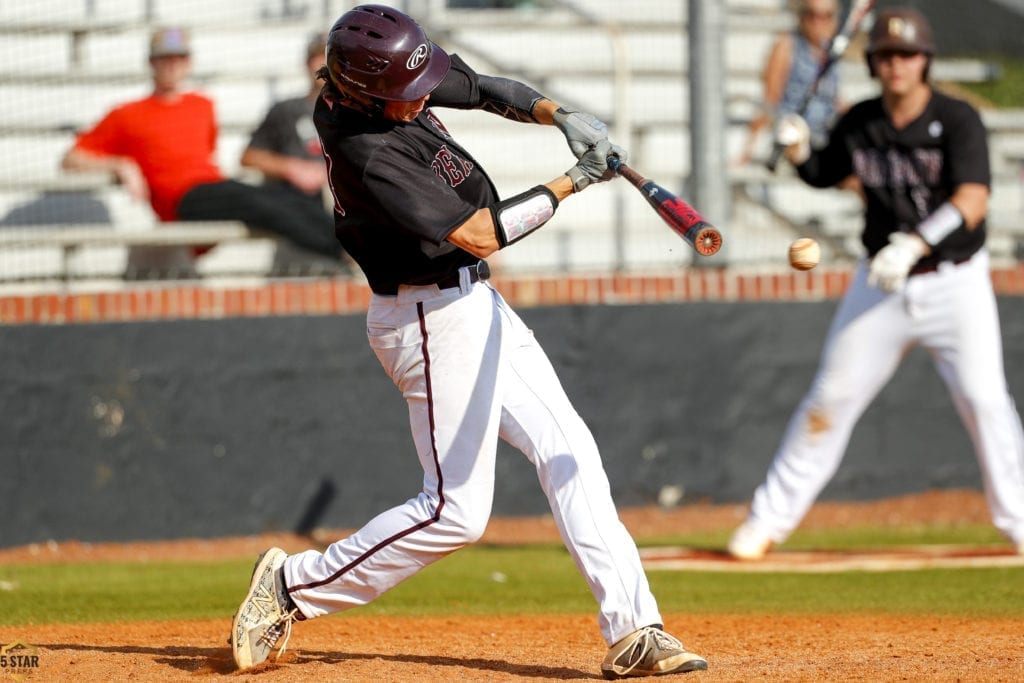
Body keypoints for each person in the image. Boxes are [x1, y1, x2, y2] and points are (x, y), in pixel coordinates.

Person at [228, 5, 708, 679]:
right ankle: (294, 586)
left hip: (475, 303)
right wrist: (574, 181)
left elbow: (481, 88)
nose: (422, 97)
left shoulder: (394, 76)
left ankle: (635, 629)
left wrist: (558, 113)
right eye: (406, 95)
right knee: (456, 513)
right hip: (425, 319)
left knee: (568, 449)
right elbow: (481, 233)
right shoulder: (367, 149)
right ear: (365, 93)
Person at [728, 7, 1024, 561]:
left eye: (907, 55)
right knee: (830, 399)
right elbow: (822, 171)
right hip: (880, 286)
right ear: (873, 63)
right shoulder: (861, 120)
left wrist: (915, 243)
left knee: (985, 400)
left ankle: (1020, 520)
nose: (897, 65)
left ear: (925, 61)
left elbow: (974, 200)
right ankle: (765, 522)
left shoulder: (957, 119)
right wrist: (796, 148)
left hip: (954, 282)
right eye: (886, 56)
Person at [61, 26, 343, 273]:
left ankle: (352, 243)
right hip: (182, 199)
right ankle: (347, 251)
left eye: (178, 57)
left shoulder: (201, 105)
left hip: (212, 189)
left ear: (188, 62)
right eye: (164, 58)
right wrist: (120, 165)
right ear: (151, 62)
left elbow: (203, 158)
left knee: (280, 198)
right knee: (259, 203)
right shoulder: (126, 114)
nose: (172, 65)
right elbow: (71, 159)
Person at [239, 32, 332, 223]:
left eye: (331, 57)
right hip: (299, 203)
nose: (324, 64)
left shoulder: (359, 113)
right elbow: (249, 157)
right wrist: (291, 168)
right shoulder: (286, 110)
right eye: (318, 57)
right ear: (307, 64)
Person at [737, 0, 841, 165]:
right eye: (811, 15)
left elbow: (834, 100)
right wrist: (747, 151)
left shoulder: (832, 51)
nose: (818, 22)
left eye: (826, 16)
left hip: (826, 139)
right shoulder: (786, 46)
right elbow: (769, 101)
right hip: (793, 141)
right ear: (801, 17)